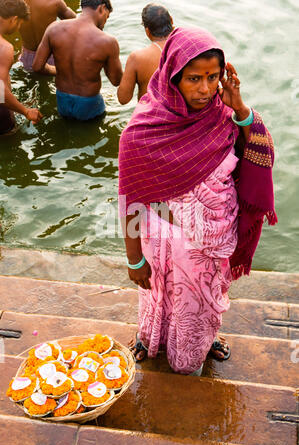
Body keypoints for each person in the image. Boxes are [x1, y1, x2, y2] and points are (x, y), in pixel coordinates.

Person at [118, 27, 277, 375]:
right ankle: (151, 338)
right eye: (193, 78)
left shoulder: (224, 116)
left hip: (214, 240)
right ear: (173, 75)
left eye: (212, 77)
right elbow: (131, 201)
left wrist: (240, 107)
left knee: (204, 303)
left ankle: (204, 341)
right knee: (160, 295)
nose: (205, 89)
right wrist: (133, 260)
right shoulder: (142, 131)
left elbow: (257, 153)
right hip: (164, 242)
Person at [32, 0, 123, 121]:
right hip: (89, 103)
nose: (105, 22)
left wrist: (56, 70)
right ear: (102, 8)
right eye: (107, 16)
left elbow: (37, 67)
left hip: (62, 99)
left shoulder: (54, 28)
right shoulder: (108, 42)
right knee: (92, 134)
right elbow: (116, 81)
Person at [0, 0, 42, 135]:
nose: (18, 28)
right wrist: (26, 111)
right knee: (11, 143)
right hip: (1, 113)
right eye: (19, 24)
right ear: (14, 19)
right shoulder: (4, 48)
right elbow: (0, 92)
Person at [117, 3, 173, 104]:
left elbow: (123, 99)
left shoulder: (137, 58)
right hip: (179, 116)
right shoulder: (185, 48)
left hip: (149, 116)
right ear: (171, 20)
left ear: (147, 31)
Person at [19, 0, 76, 73]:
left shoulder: (16, 3)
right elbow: (74, 21)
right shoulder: (55, 2)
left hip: (27, 58)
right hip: (49, 58)